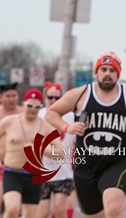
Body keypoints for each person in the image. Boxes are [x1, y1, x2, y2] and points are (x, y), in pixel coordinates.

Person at [46, 52, 126, 218]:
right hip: (85, 165)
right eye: (103, 69)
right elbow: (51, 112)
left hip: (117, 162)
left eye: (112, 70)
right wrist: (67, 126)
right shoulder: (81, 94)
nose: (107, 74)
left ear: (118, 73)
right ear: (96, 72)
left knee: (113, 210)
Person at [0, 89, 59, 218]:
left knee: (30, 215)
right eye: (29, 106)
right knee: (12, 208)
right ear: (23, 104)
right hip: (12, 173)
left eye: (37, 107)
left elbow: (59, 154)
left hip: (34, 175)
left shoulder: (46, 127)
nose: (33, 109)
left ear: (40, 107)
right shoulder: (9, 121)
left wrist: (38, 149)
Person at [37, 82, 75, 218]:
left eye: (57, 98)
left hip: (63, 172)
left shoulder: (70, 116)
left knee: (59, 211)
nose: (53, 101)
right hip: (41, 172)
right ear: (45, 97)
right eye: (50, 97)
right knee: (42, 213)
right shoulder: (38, 115)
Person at [0, 83, 23, 218]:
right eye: (8, 96)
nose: (12, 99)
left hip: (18, 165)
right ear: (0, 98)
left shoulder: (24, 113)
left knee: (16, 206)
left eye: (14, 96)